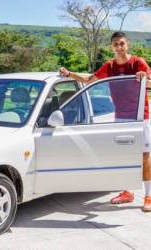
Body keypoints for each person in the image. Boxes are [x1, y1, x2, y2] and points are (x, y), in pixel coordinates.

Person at [59, 31, 151, 212]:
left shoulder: (138, 62)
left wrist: (144, 77)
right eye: (116, 44)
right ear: (112, 46)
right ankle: (127, 192)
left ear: (127, 45)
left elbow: (149, 81)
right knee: (124, 156)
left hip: (141, 117)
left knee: (144, 155)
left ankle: (148, 196)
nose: (119, 47)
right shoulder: (109, 66)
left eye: (122, 43)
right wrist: (69, 74)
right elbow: (88, 80)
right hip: (120, 117)